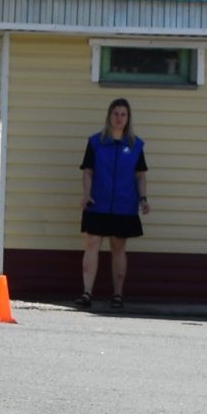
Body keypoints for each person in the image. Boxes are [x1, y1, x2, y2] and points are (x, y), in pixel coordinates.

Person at [78, 98, 149, 310]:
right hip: (97, 203)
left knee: (118, 247)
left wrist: (143, 198)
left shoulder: (136, 145)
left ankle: (117, 294)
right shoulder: (95, 143)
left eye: (123, 114)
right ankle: (86, 292)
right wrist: (87, 194)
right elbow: (88, 171)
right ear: (109, 116)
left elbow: (141, 176)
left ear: (128, 118)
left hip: (124, 205)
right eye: (116, 113)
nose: (119, 118)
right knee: (92, 243)